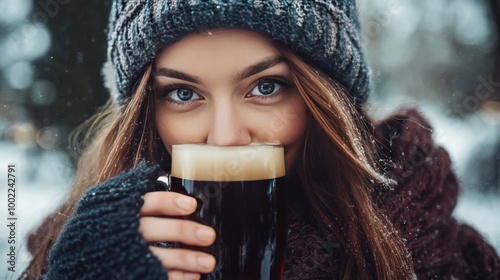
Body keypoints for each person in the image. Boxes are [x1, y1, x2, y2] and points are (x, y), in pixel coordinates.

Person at [22, 1, 500, 279]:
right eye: (183, 93)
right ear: (145, 112)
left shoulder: (451, 259)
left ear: (326, 98)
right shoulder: (75, 247)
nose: (227, 138)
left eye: (266, 87)